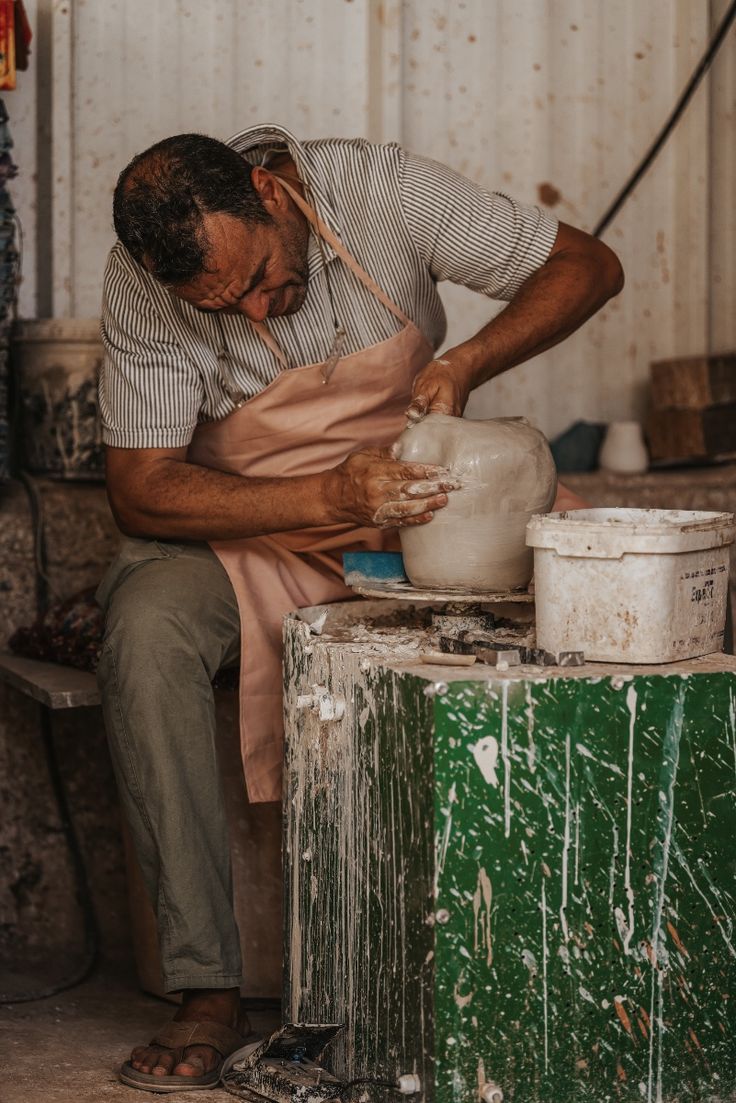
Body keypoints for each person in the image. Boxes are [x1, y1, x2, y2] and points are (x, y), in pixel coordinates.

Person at [97, 124, 623, 1090]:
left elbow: (589, 267)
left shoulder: (380, 191)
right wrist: (321, 500)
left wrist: (466, 364)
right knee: (144, 632)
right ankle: (208, 985)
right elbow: (143, 489)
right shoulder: (144, 286)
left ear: (272, 192)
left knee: (606, 586)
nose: (260, 305)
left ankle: (580, 941)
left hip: (412, 503)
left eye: (260, 274)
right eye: (227, 306)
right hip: (248, 526)